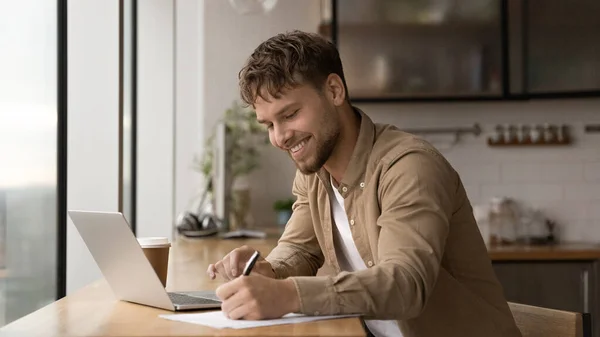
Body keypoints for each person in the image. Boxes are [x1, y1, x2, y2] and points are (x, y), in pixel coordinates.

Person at [207, 30, 522, 337]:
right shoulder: (313, 172)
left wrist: (289, 295)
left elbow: (405, 284)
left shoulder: (409, 166)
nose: (279, 137)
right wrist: (267, 271)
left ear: (334, 91)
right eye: (269, 125)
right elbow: (299, 248)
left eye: (290, 114)